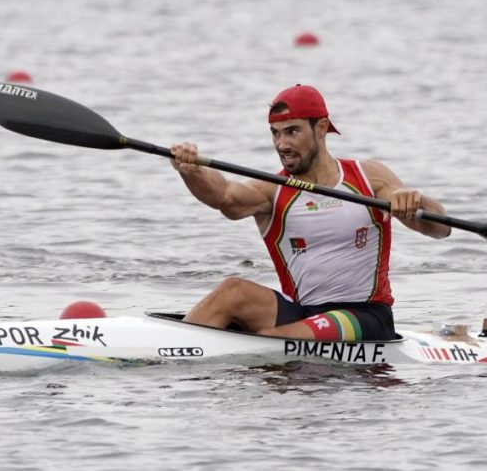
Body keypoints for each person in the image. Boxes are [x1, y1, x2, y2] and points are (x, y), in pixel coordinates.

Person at [170, 84, 450, 341]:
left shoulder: (368, 177)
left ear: (321, 128)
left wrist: (415, 201)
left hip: (366, 317)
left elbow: (441, 228)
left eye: (292, 131)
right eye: (275, 134)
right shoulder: (272, 189)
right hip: (303, 311)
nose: (281, 145)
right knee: (232, 292)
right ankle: (169, 351)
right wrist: (192, 171)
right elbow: (224, 196)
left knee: (272, 337)